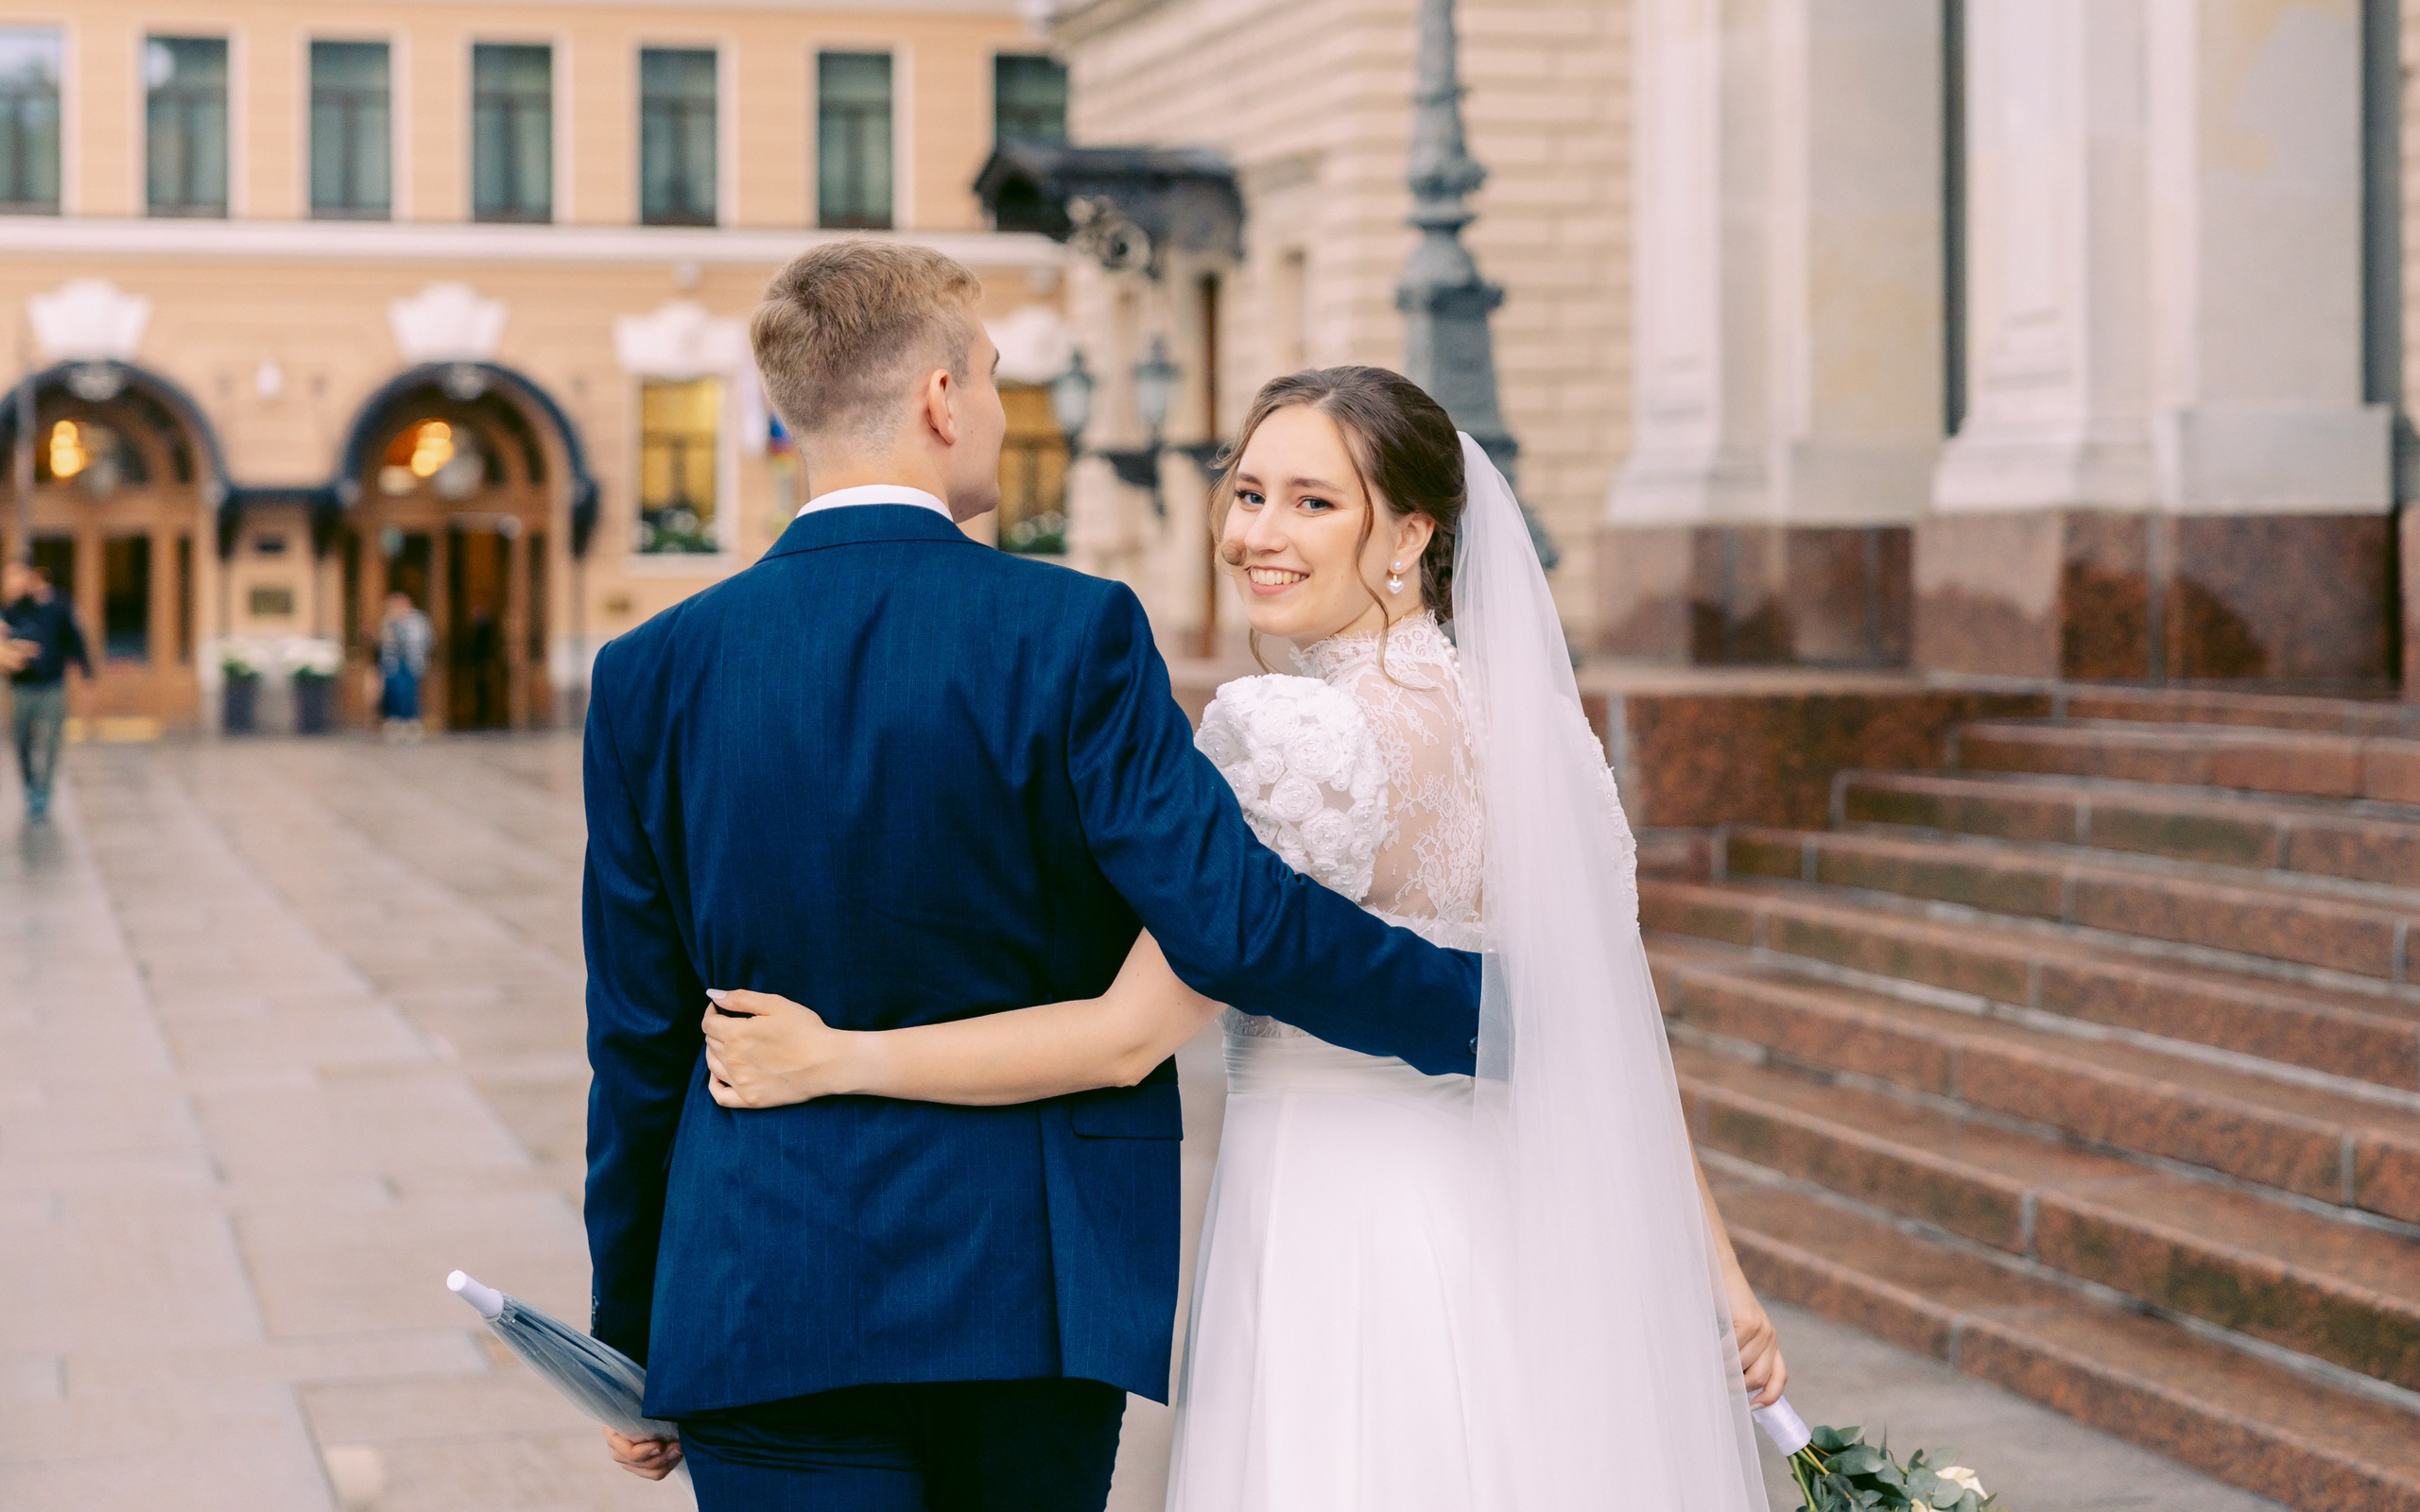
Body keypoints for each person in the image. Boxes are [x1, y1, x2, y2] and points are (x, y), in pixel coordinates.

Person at [698, 368, 1788, 1511]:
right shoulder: (1544, 735)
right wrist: (1713, 1272)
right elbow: (1598, 1028)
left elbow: (1126, 1038)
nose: (1258, 534)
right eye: (1249, 493)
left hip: (1343, 1227)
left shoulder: (1291, 734)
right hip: (1535, 1225)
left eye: (1314, 503)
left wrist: (844, 1058)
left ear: (1410, 532)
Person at [582, 247, 1482, 1510]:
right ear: (943, 399)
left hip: (754, 1293)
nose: (1006, 414)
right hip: (1027, 1294)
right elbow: (1234, 921)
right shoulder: (1072, 633)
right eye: (999, 381)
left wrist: (630, 1330)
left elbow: (635, 1040)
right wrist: (1487, 1013)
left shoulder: (647, 673)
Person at [2, 561, 93, 822]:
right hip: (22, 687)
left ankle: (43, 790)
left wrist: (86, 675)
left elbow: (75, 639)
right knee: (22, 740)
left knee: (52, 739)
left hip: (52, 684)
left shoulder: (59, 606)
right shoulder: (13, 610)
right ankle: (31, 784)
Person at [377, 590, 433, 742]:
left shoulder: (418, 620)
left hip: (411, 662)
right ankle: (395, 722)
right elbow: (384, 643)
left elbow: (425, 640)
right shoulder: (389, 621)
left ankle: (411, 722)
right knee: (394, 692)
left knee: (410, 692)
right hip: (393, 664)